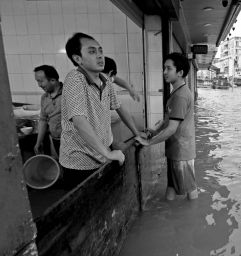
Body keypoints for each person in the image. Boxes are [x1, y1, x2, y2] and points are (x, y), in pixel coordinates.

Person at [60, 32, 145, 189]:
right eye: (92, 52)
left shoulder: (105, 80)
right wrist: (108, 154)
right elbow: (79, 120)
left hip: (103, 153)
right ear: (77, 59)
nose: (100, 56)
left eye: (100, 51)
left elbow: (120, 108)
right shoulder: (75, 79)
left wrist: (137, 134)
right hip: (80, 161)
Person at [135, 53, 197, 200]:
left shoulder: (180, 96)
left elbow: (171, 128)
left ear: (180, 73)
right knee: (171, 187)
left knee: (190, 190)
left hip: (181, 152)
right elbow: (168, 121)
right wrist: (155, 131)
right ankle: (170, 215)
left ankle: (192, 219)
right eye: (164, 68)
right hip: (175, 149)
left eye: (168, 68)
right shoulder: (176, 93)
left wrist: (149, 142)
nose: (164, 72)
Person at [33, 65, 63, 157]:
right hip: (56, 140)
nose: (39, 85)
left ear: (53, 80)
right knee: (63, 165)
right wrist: (38, 142)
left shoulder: (68, 94)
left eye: (41, 81)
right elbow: (43, 120)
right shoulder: (44, 98)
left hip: (73, 141)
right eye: (37, 81)